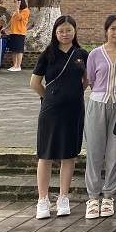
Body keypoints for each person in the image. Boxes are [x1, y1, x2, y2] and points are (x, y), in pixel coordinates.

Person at [30, 15, 88, 220]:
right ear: (55, 33)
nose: (65, 34)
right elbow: (35, 83)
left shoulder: (82, 54)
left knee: (68, 154)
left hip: (74, 110)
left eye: (68, 30)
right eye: (60, 31)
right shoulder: (48, 54)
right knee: (45, 154)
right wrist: (49, 98)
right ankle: (43, 199)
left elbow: (86, 80)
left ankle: (63, 197)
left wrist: (73, 95)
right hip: (51, 111)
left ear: (75, 31)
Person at [84, 15, 116, 219]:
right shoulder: (95, 54)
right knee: (94, 152)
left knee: (115, 152)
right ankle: (92, 197)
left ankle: (108, 196)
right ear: (106, 30)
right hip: (98, 104)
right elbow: (91, 80)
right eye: (113, 28)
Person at [7, 0, 29, 71]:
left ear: (20, 2)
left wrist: (17, 9)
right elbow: (11, 21)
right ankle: (14, 65)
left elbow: (19, 18)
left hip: (20, 32)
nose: (14, 3)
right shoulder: (16, 11)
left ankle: (18, 66)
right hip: (13, 32)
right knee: (13, 49)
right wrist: (6, 28)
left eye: (15, 2)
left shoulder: (25, 11)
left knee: (19, 50)